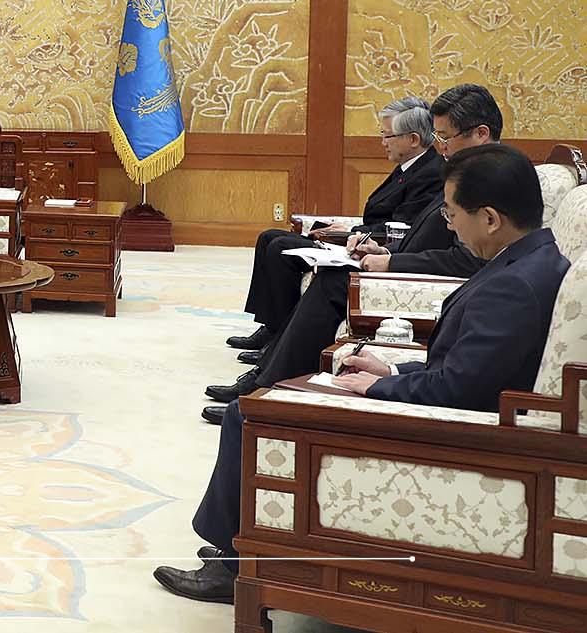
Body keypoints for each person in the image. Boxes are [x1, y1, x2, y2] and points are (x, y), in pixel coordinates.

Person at [157, 142, 569, 604]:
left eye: (452, 216)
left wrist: (381, 385)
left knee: (248, 414)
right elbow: (473, 370)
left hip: (451, 433)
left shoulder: (513, 286)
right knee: (280, 392)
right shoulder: (532, 260)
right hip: (454, 406)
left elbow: (458, 388)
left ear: (490, 218)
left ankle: (233, 569)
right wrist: (391, 364)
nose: (449, 227)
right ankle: (235, 549)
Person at [197, 85, 508, 420]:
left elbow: (466, 259)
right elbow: (425, 232)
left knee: (334, 280)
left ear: (480, 133)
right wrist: (385, 247)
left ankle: (266, 392)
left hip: (427, 284)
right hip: (407, 262)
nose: (440, 146)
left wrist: (392, 260)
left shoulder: (491, 179)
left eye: (445, 137)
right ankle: (265, 380)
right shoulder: (465, 171)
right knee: (318, 265)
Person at [229, 95, 445, 355]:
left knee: (280, 248)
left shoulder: (430, 173)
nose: (382, 142)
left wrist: (348, 233)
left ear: (412, 139)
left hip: (372, 248)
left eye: (388, 136)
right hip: (361, 239)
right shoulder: (407, 167)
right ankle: (270, 327)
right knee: (269, 237)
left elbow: (401, 227)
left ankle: (277, 336)